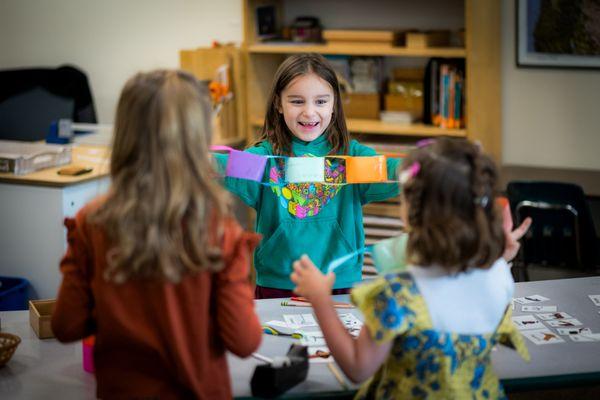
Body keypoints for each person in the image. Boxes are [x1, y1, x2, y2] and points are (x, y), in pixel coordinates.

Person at [51, 70, 262, 399]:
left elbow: (66, 326)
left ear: (124, 138)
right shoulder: (220, 230)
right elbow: (245, 341)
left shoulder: (91, 222)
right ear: (199, 141)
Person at [291, 137, 530, 399]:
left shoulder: (398, 294)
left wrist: (320, 300)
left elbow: (358, 368)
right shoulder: (499, 274)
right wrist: (501, 258)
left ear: (412, 211)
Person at [214, 53, 401, 298]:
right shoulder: (264, 157)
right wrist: (189, 158)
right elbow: (226, 166)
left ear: (334, 104)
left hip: (340, 281)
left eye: (321, 102)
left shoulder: (352, 156)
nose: (310, 112)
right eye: (297, 101)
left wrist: (422, 167)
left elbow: (392, 171)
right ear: (279, 104)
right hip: (278, 281)